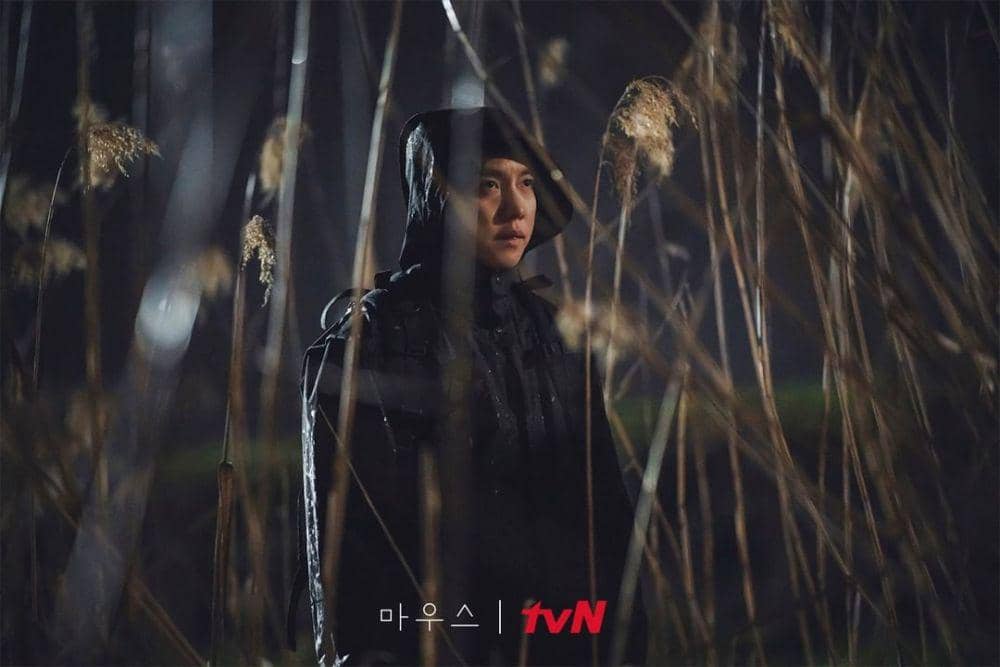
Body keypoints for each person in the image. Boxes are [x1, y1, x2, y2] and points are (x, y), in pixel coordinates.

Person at [291, 107, 646, 666]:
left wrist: (622, 633)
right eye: (487, 185)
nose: (516, 208)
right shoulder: (372, 342)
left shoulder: (554, 333)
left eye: (526, 183)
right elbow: (346, 543)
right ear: (438, 198)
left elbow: (601, 503)